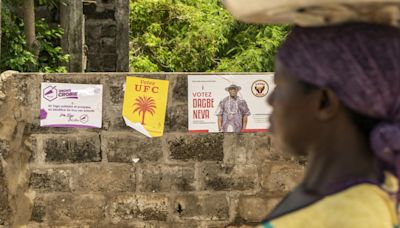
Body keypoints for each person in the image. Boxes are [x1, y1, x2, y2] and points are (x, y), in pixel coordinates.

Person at [260, 23, 400, 228]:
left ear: (324, 102)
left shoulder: (351, 219)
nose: (270, 100)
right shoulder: (323, 195)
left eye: (279, 85)